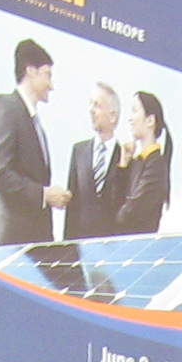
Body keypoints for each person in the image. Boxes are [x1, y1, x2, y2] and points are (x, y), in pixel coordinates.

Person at [0, 37, 68, 245]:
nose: (52, 85)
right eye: (47, 75)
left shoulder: (36, 123)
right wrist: (44, 195)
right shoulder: (6, 106)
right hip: (13, 243)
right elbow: (0, 175)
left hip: (36, 244)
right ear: (30, 71)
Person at [62, 82, 121, 243]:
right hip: (83, 246)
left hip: (114, 246)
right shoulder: (79, 152)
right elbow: (72, 208)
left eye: (97, 105)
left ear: (112, 115)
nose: (91, 110)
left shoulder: (125, 157)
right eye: (90, 104)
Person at [107, 91, 172, 235]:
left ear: (150, 121)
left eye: (134, 111)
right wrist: (123, 166)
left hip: (137, 241)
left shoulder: (156, 165)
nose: (130, 119)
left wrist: (110, 219)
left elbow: (131, 212)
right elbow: (114, 200)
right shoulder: (136, 162)